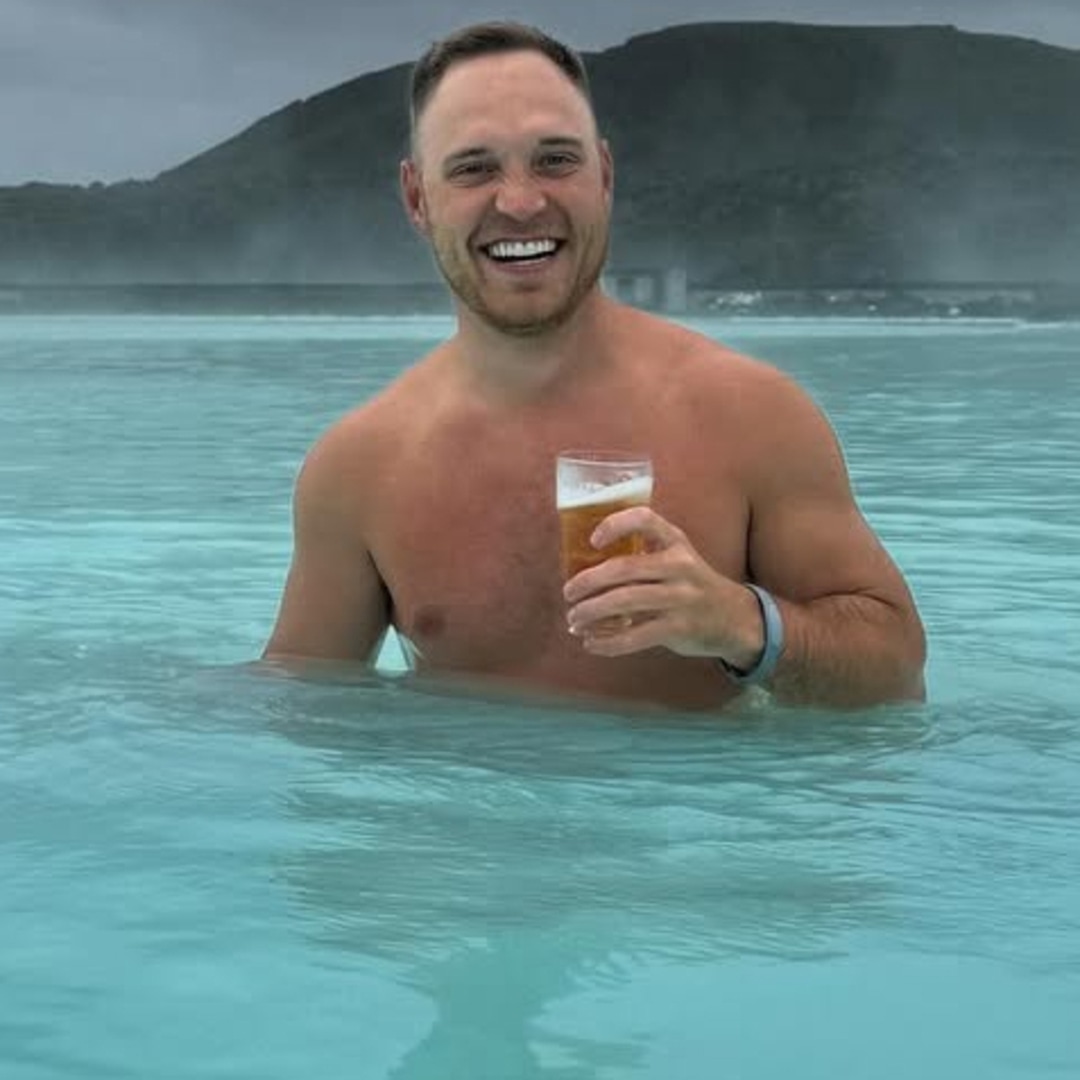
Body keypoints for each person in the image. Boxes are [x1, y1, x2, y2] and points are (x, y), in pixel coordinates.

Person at [262, 21, 926, 711]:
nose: (521, 202)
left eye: (555, 160)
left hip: (693, 783)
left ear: (604, 176)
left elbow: (898, 674)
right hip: (461, 785)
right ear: (417, 199)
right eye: (474, 168)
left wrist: (741, 625)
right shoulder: (360, 469)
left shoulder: (749, 416)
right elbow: (298, 705)